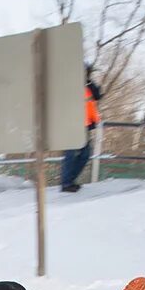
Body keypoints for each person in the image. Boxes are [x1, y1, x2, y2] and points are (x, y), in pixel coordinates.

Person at [61, 64, 104, 193]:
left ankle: (70, 180)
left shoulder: (87, 85)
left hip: (84, 125)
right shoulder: (69, 84)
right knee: (70, 154)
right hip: (71, 124)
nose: (85, 73)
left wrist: (88, 81)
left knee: (85, 155)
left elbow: (97, 95)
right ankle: (66, 183)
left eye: (87, 71)